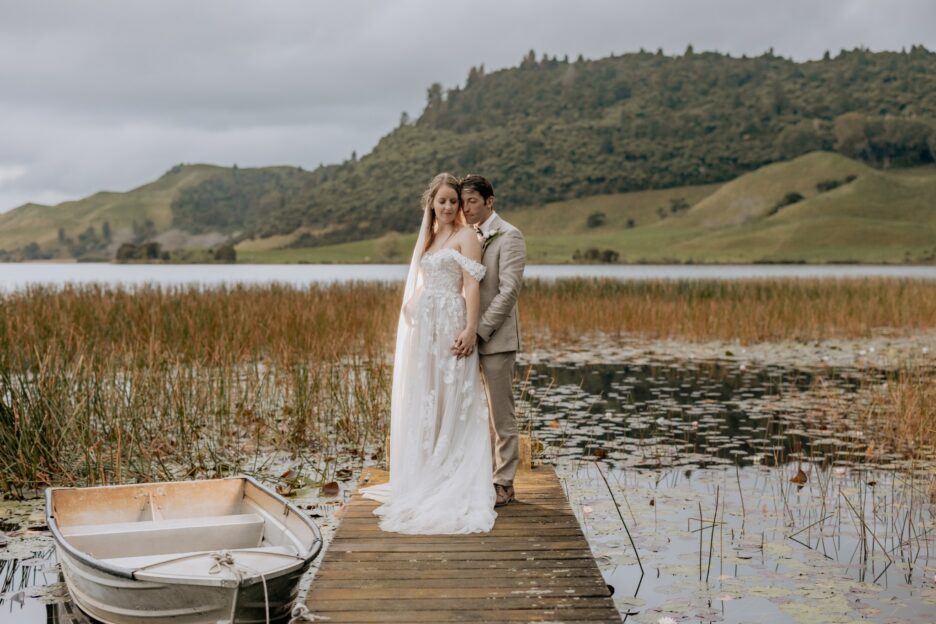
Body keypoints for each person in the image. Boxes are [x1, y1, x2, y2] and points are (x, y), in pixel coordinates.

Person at [361, 173, 496, 534]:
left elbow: (471, 286)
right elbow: (422, 284)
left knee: (453, 394)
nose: (449, 207)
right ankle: (424, 468)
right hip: (427, 328)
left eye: (454, 200)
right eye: (443, 201)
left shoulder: (468, 237)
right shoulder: (431, 237)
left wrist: (470, 329)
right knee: (428, 395)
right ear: (432, 205)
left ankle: (450, 470)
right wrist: (412, 311)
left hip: (452, 320)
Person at [454, 174, 526, 506]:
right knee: (472, 412)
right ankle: (479, 475)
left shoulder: (510, 236)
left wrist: (479, 330)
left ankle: (505, 482)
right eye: (462, 201)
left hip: (495, 339)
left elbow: (508, 291)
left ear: (489, 201)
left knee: (501, 414)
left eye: (472, 201)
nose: (465, 208)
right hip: (467, 337)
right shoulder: (465, 236)